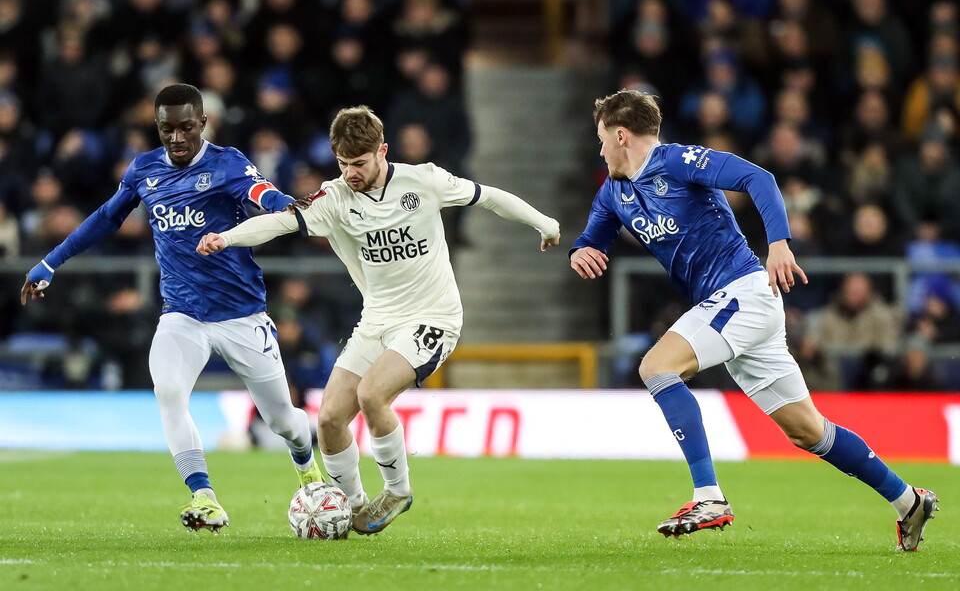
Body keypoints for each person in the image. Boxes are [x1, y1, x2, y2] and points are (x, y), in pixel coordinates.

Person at [568, 89, 938, 552]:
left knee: (656, 367)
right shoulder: (614, 191)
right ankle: (908, 501)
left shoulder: (678, 162)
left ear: (621, 135)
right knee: (808, 431)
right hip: (733, 308)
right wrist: (580, 250)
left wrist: (778, 243)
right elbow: (593, 236)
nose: (600, 149)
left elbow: (758, 177)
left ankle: (708, 496)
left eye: (602, 139)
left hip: (743, 292)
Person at [196, 106, 560, 535]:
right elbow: (280, 223)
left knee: (372, 394)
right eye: (343, 163)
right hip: (377, 320)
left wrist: (544, 223)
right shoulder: (334, 198)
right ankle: (350, 508)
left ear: (382, 151)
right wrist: (227, 238)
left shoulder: (423, 180)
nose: (350, 173)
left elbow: (489, 196)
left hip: (433, 317)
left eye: (359, 163)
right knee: (329, 418)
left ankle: (397, 490)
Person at [20, 83, 323, 533]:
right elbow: (106, 218)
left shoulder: (228, 163)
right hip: (183, 315)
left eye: (186, 127)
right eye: (167, 129)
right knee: (168, 392)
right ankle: (204, 497)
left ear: (203, 123)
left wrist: (288, 205)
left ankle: (308, 470)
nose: (177, 138)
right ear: (157, 127)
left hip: (242, 315)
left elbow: (263, 193)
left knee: (284, 421)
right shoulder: (144, 169)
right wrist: (51, 261)